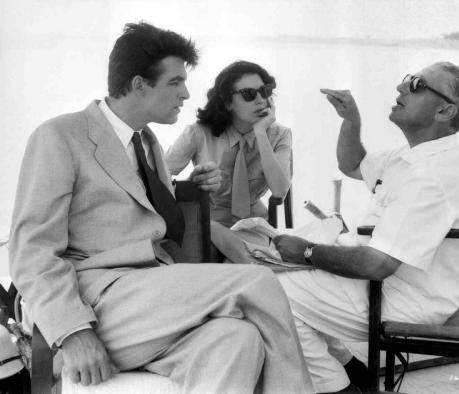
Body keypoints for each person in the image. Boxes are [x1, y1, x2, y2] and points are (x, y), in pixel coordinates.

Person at [9, 22, 313, 394]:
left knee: (236, 339)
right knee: (258, 282)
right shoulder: (60, 136)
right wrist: (73, 332)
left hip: (150, 301)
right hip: (99, 300)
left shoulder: (148, 145)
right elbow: (31, 251)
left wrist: (185, 188)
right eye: (175, 82)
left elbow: (134, 206)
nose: (186, 93)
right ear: (139, 85)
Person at [273, 62, 459, 393]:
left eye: (416, 85)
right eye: (406, 80)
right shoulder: (414, 156)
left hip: (409, 299)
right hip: (401, 283)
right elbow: (352, 164)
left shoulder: (428, 176)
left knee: (270, 293)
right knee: (280, 275)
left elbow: (377, 264)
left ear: (444, 110)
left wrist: (308, 252)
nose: (401, 88)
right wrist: (351, 120)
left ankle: (340, 388)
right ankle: (352, 369)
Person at [166, 60, 292, 228]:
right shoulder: (199, 132)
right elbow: (159, 175)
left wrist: (261, 133)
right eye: (249, 94)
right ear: (227, 102)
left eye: (264, 91)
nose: (261, 100)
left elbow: (280, 191)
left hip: (252, 223)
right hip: (206, 222)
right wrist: (191, 184)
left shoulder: (280, 135)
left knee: (250, 250)